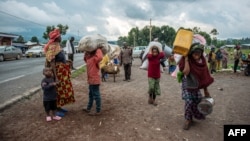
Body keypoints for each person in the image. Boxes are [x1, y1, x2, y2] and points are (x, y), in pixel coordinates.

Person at [178, 43, 214, 130]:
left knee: (197, 101)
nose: (197, 55)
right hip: (187, 83)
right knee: (189, 102)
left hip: (196, 85)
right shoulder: (186, 59)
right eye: (195, 53)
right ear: (191, 52)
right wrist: (186, 59)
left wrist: (206, 89)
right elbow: (186, 72)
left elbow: (204, 76)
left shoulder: (202, 61)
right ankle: (188, 119)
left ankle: (193, 116)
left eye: (199, 53)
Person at [44, 29, 75, 117]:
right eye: (60, 36)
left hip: (62, 72)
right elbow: (53, 62)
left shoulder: (57, 45)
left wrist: (66, 61)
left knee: (61, 90)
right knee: (57, 90)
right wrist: (55, 76)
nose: (61, 37)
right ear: (57, 38)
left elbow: (59, 58)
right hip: (58, 72)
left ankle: (59, 107)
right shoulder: (53, 46)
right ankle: (55, 109)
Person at [83, 48, 103, 116]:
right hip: (90, 80)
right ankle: (88, 108)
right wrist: (86, 52)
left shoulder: (95, 59)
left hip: (95, 80)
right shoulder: (89, 58)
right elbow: (85, 59)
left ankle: (98, 110)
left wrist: (97, 48)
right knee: (91, 94)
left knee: (96, 95)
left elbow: (100, 57)